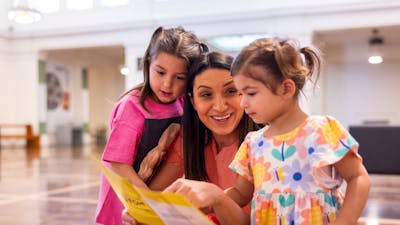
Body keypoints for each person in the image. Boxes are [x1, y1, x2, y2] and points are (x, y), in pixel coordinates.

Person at [122, 51, 259, 224]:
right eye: (206, 95)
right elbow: (156, 197)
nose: (220, 106)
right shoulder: (188, 142)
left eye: (231, 91)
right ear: (193, 101)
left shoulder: (264, 146)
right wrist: (140, 212)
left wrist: (217, 198)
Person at [96, 26, 207, 225]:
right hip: (128, 193)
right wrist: (147, 200)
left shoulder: (182, 105)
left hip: (156, 193)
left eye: (179, 77)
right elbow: (118, 163)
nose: (167, 84)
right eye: (160, 72)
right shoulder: (131, 106)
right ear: (148, 65)